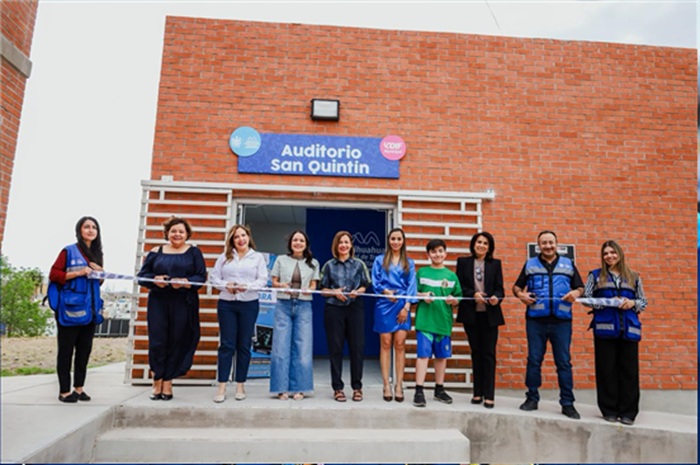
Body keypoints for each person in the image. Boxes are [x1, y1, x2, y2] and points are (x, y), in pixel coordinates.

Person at [512, 230, 584, 419]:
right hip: (536, 321)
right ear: (539, 246)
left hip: (562, 321)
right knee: (534, 360)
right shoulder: (530, 264)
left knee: (564, 363)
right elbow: (516, 287)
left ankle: (568, 403)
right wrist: (521, 295)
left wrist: (576, 293)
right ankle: (532, 398)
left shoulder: (568, 264)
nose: (548, 246)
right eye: (544, 243)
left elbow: (580, 287)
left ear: (556, 244)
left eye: (551, 242)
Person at [137, 216, 206, 401]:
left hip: (184, 303)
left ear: (187, 234)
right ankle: (157, 380)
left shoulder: (194, 252)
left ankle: (168, 381)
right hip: (158, 302)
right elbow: (142, 276)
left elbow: (200, 277)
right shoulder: (155, 251)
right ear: (167, 233)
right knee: (158, 342)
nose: (177, 234)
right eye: (173, 231)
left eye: (181, 231)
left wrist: (185, 282)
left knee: (178, 340)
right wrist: (155, 280)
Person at [583, 240, 647, 425]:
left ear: (619, 254)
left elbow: (643, 301)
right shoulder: (595, 276)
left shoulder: (634, 276)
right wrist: (606, 303)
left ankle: (629, 412)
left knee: (629, 372)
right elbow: (586, 299)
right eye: (606, 253)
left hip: (629, 329)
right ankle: (609, 410)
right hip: (605, 329)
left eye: (612, 252)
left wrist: (632, 303)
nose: (609, 256)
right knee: (606, 370)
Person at [49, 216, 105, 403]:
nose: (90, 230)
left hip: (90, 311)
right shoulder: (68, 251)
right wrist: (79, 272)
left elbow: (97, 283)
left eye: (94, 227)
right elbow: (54, 274)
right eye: (86, 226)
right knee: (66, 351)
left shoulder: (97, 254)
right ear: (79, 230)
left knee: (84, 351)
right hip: (70, 310)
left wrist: (100, 274)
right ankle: (64, 391)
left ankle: (79, 388)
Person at [210, 224, 268, 403]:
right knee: (226, 345)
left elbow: (262, 280)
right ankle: (222, 386)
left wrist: (247, 286)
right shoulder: (224, 257)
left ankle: (240, 385)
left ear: (249, 237)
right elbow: (214, 278)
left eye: (243, 235)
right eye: (236, 237)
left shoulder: (257, 257)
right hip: (227, 304)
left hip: (249, 304)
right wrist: (225, 285)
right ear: (232, 240)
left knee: (243, 345)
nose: (240, 239)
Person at [320, 230, 371, 403]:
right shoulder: (329, 265)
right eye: (340, 242)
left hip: (355, 308)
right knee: (335, 349)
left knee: (357, 348)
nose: (343, 245)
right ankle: (338, 388)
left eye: (346, 242)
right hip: (334, 309)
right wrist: (334, 292)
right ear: (336, 246)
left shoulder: (359, 264)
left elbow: (365, 284)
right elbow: (322, 289)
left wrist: (358, 291)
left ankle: (357, 387)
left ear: (351, 245)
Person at [456, 231, 505, 409]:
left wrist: (496, 298)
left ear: (489, 247)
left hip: (490, 315)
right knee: (476, 352)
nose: (481, 246)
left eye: (485, 243)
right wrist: (473, 294)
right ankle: (477, 393)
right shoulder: (463, 262)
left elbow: (500, 289)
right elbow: (459, 287)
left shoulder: (495, 264)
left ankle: (489, 395)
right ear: (473, 244)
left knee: (489, 354)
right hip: (471, 314)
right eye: (479, 242)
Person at [269, 230, 320, 401]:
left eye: (301, 240)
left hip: (304, 306)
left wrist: (309, 290)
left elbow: (314, 285)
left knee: (303, 348)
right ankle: (281, 389)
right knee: (280, 348)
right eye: (295, 240)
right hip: (283, 305)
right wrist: (281, 285)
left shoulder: (313, 263)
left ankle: (300, 388)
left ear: (306, 244)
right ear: (290, 243)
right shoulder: (281, 260)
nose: (298, 243)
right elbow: (274, 282)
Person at [413, 239, 462, 408]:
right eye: (433, 251)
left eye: (440, 251)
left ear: (445, 253)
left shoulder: (452, 276)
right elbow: (413, 293)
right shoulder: (421, 272)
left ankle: (439, 389)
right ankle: (419, 390)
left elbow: (459, 297)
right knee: (423, 356)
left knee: (441, 357)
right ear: (428, 254)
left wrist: (453, 300)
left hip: (443, 323)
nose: (437, 254)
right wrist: (422, 295)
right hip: (425, 322)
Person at [371, 227, 417, 402]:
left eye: (399, 239)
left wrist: (406, 307)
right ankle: (386, 385)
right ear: (388, 241)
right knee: (385, 343)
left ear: (403, 241)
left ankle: (399, 384)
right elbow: (375, 281)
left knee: (400, 343)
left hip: (402, 304)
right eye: (393, 239)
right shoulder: (380, 260)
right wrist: (385, 291)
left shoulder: (409, 262)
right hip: (384, 303)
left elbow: (412, 285)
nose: (396, 242)